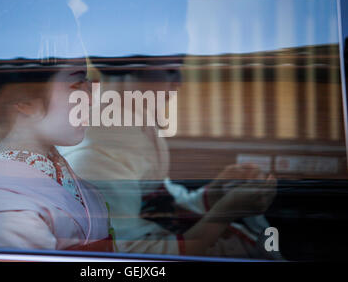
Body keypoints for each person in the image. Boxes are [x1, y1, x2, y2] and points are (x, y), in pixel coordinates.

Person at [58, 65, 280, 258]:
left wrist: (212, 194)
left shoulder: (132, 122)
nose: (180, 82)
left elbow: (157, 200)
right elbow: (130, 253)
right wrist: (224, 212)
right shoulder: (96, 150)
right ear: (133, 66)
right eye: (170, 71)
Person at [0, 62, 113, 252]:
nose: (89, 99)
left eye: (87, 83)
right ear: (24, 99)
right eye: (76, 84)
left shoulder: (55, 179)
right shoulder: (3, 210)